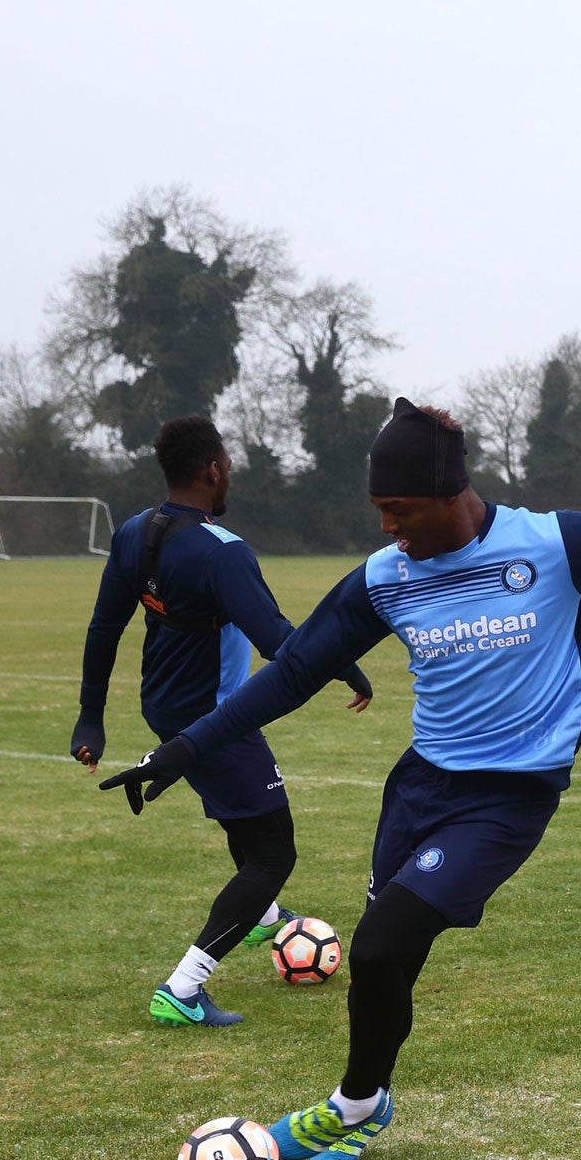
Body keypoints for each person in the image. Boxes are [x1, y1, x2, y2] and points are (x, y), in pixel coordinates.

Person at [102, 400, 581, 1160]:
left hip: (508, 799)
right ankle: (370, 1104)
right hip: (420, 788)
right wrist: (182, 750)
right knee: (384, 958)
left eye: (399, 510)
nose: (390, 527)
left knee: (381, 945)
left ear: (448, 494)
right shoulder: (385, 579)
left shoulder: (552, 544)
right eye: (379, 512)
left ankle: (349, 1106)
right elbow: (292, 674)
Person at [72, 416, 373, 1028]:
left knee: (249, 825)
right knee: (274, 854)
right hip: (214, 718)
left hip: (164, 705)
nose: (228, 471)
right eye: (227, 462)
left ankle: (264, 919)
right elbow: (277, 642)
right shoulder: (222, 551)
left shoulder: (136, 533)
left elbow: (106, 626)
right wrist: (342, 662)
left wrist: (91, 716)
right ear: (212, 469)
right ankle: (183, 988)